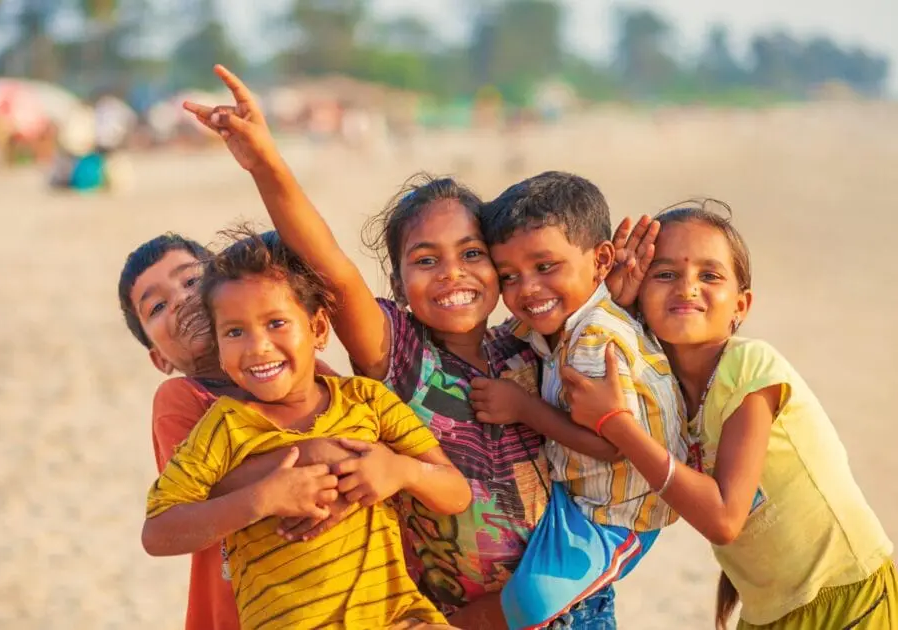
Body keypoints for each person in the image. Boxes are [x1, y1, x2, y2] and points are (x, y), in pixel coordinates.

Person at [183, 64, 629, 628]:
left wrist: (624, 284)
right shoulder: (399, 355)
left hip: (571, 608)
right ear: (396, 285)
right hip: (449, 616)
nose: (451, 274)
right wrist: (266, 162)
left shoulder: (525, 347)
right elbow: (332, 268)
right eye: (425, 260)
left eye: (471, 254)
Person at [563, 201, 897, 630]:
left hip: (846, 596)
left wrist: (615, 424)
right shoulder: (663, 394)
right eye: (664, 275)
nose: (687, 287)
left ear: (741, 305)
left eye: (710, 275)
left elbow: (723, 519)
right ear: (640, 298)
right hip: (768, 612)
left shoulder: (751, 367)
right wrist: (608, 307)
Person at [141, 228, 471, 629]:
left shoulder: (365, 400)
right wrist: (261, 499)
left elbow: (456, 492)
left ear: (317, 329)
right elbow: (158, 533)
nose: (258, 346)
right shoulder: (222, 428)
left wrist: (401, 471)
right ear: (219, 346)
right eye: (235, 332)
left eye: (276, 322)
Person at [475, 171, 688, 629]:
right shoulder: (555, 319)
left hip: (618, 512)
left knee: (531, 603)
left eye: (545, 267)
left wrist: (521, 407)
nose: (528, 288)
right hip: (578, 492)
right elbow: (496, 341)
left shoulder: (593, 339)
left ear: (602, 260)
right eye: (509, 276)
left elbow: (612, 444)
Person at [118, 233, 351, 630]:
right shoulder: (182, 398)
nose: (179, 299)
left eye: (191, 281)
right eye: (157, 306)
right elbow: (202, 495)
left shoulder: (304, 375)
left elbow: (357, 438)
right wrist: (316, 455)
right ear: (159, 359)